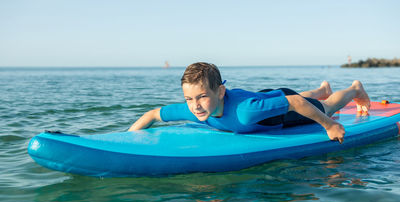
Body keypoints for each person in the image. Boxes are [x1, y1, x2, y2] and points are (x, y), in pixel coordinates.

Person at [128, 62, 370, 144]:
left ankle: (354, 88)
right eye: (189, 99)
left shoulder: (245, 113)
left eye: (202, 96)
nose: (195, 106)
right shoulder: (195, 110)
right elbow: (152, 115)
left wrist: (329, 126)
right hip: (264, 98)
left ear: (220, 91)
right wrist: (128, 139)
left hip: (278, 112)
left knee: (325, 107)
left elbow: (294, 102)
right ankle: (320, 89)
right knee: (285, 98)